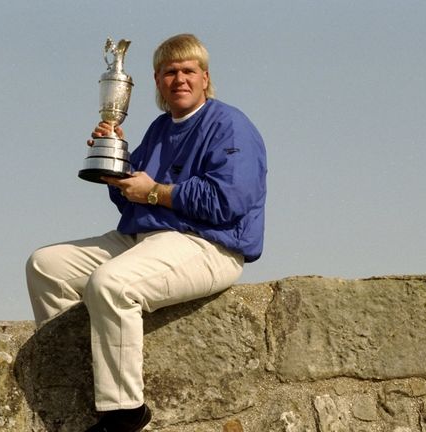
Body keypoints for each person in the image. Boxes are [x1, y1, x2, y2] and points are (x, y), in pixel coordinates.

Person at [26, 33, 267, 432]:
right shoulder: (158, 129)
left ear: (205, 78)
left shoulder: (229, 124)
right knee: (46, 265)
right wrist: (114, 163)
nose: (180, 79)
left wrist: (155, 191)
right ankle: (78, 386)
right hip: (147, 238)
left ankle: (124, 414)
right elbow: (131, 202)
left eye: (189, 70)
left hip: (208, 245)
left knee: (112, 284)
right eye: (170, 72)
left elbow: (230, 201)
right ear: (157, 82)